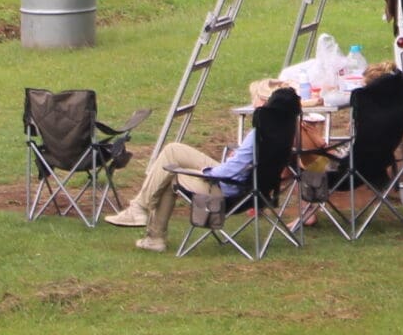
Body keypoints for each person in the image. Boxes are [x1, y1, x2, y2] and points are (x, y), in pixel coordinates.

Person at [106, 80, 298, 251]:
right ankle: (140, 212)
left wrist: (205, 172)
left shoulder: (259, 134)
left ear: (264, 103)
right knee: (173, 150)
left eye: (254, 98)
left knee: (169, 174)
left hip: (226, 188)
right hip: (250, 186)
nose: (252, 102)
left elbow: (230, 171)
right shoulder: (283, 129)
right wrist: (237, 157)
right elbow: (249, 162)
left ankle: (149, 229)